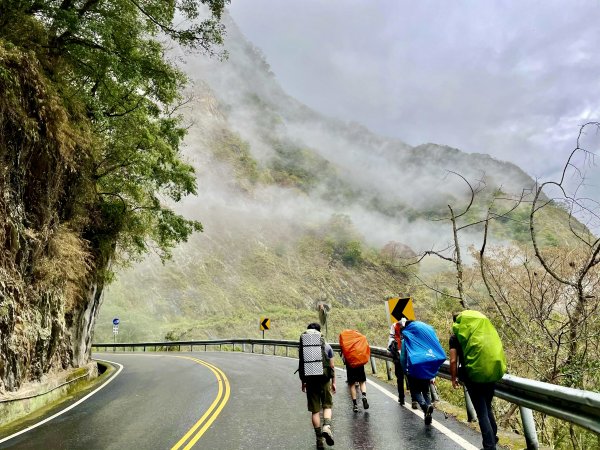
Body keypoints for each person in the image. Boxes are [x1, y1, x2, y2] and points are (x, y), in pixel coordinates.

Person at [450, 311, 506, 450]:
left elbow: (452, 361)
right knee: (487, 407)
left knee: (481, 412)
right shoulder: (481, 333)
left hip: (472, 376)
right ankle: (493, 437)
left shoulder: (455, 337)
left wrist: (453, 377)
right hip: (490, 373)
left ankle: (489, 446)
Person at [399, 320, 446, 425]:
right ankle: (428, 411)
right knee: (426, 391)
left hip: (413, 368)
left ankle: (424, 406)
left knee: (415, 391)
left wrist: (404, 370)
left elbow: (403, 357)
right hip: (426, 367)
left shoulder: (406, 340)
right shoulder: (424, 340)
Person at [299, 322, 337, 449]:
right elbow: (332, 367)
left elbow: (302, 366)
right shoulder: (326, 346)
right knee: (327, 405)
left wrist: (303, 382)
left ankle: (319, 440)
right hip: (325, 380)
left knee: (315, 411)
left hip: (310, 380)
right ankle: (326, 426)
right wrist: (334, 383)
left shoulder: (304, 347)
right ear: (320, 333)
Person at [387, 317, 416, 408]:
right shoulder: (411, 326)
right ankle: (414, 400)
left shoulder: (395, 325)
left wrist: (390, 350)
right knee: (411, 378)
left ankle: (402, 398)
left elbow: (391, 340)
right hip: (409, 357)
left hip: (398, 357)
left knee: (400, 379)